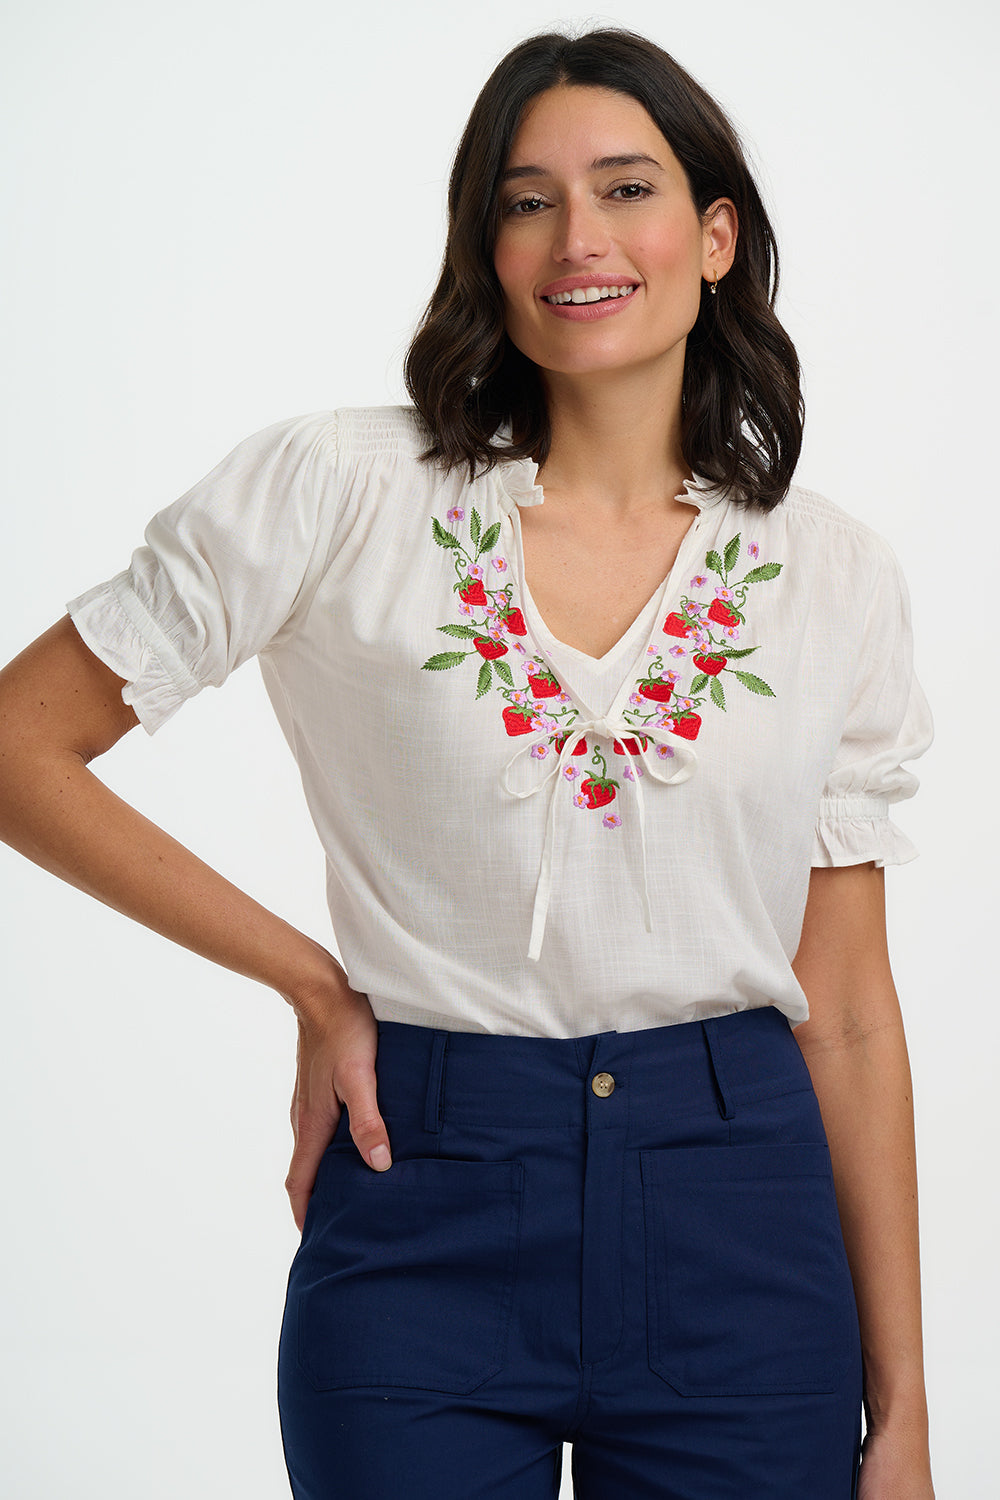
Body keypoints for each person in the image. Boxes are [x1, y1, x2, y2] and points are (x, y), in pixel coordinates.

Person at [0, 26, 935, 1500]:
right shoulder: (339, 493)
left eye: (628, 188)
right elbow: (19, 746)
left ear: (714, 234)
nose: (579, 238)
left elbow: (855, 1016)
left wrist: (909, 1417)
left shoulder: (831, 578)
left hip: (741, 1215)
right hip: (422, 1192)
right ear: (484, 248)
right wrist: (312, 983)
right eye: (526, 200)